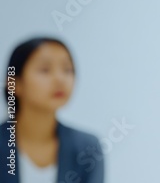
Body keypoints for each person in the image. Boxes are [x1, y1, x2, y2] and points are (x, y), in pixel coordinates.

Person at [1, 37, 104, 183]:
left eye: (67, 70)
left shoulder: (88, 148)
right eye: (45, 70)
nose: (60, 79)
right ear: (13, 84)